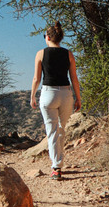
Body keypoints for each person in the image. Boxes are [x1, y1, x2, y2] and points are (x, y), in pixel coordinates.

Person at [30, 21, 82, 179]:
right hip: (65, 94)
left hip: (48, 94)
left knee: (51, 131)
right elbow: (74, 78)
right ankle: (58, 163)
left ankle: (56, 167)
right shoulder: (69, 54)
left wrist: (32, 95)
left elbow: (36, 78)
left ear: (47, 37)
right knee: (61, 129)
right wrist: (78, 98)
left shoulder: (41, 53)